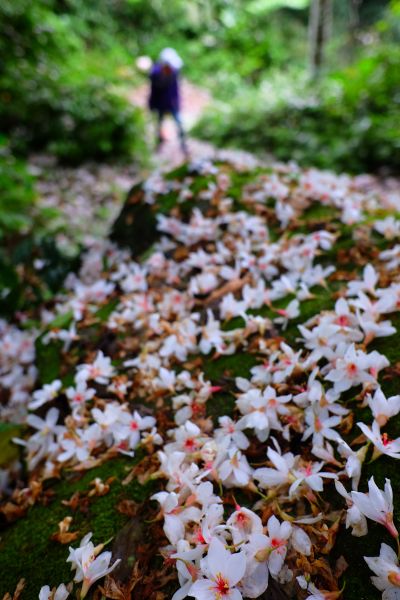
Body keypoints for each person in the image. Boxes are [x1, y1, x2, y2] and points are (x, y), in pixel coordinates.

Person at [148, 48, 188, 155]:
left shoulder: (174, 72)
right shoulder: (155, 73)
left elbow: (175, 89)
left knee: (179, 123)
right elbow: (154, 90)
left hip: (172, 103)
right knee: (159, 123)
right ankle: (159, 144)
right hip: (160, 103)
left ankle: (184, 145)